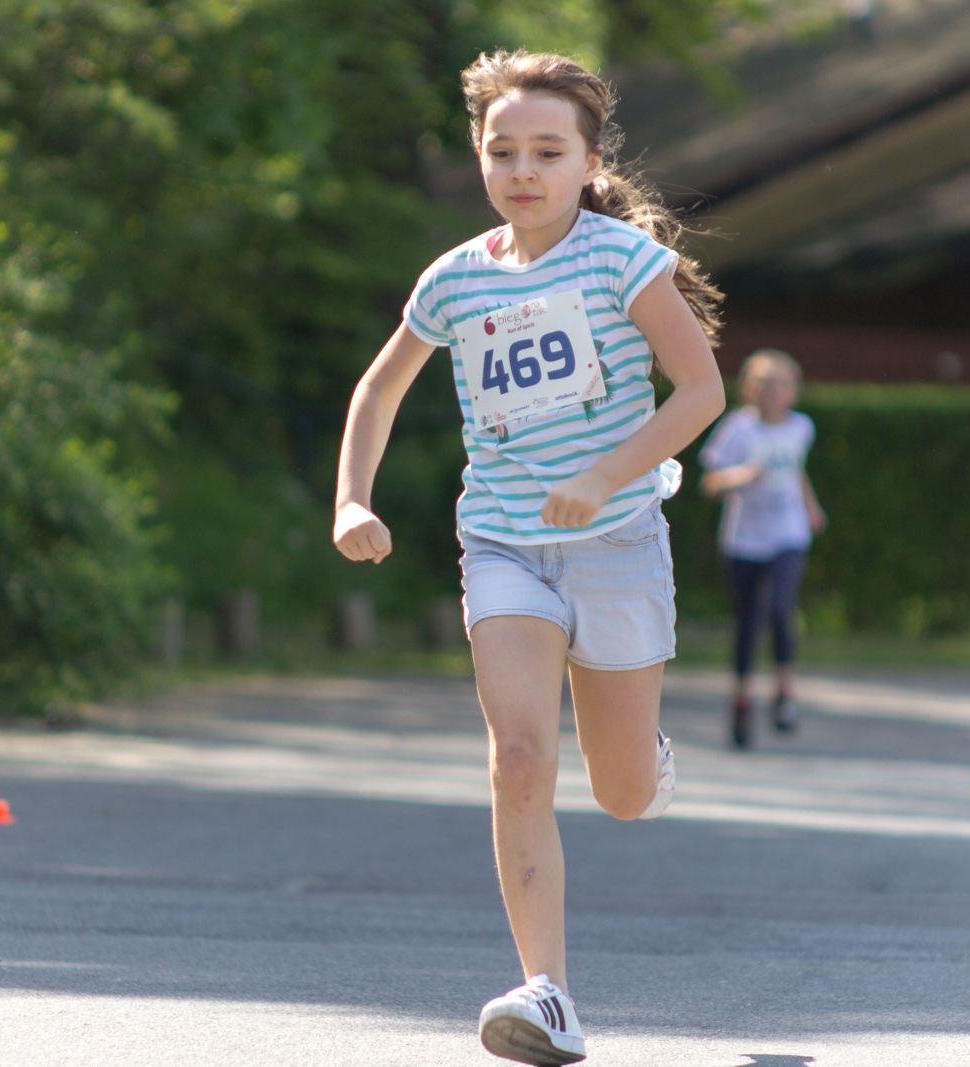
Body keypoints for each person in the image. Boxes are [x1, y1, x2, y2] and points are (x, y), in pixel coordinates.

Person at [332, 51, 724, 1067]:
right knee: (516, 757)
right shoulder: (455, 277)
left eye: (547, 151)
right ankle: (548, 994)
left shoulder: (618, 260)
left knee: (622, 789)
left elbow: (698, 393)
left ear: (587, 161)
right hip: (504, 538)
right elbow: (378, 391)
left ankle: (645, 759)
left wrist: (601, 475)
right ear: (479, 157)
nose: (521, 169)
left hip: (617, 539)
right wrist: (350, 499)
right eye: (501, 150)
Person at [699, 349, 826, 749]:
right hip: (744, 540)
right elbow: (710, 483)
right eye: (765, 384)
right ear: (750, 389)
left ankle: (785, 693)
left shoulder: (801, 428)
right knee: (748, 621)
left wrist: (810, 505)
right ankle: (741, 700)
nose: (774, 392)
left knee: (781, 609)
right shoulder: (738, 429)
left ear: (794, 391)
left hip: (788, 533)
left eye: (782, 384)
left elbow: (796, 470)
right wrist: (741, 476)